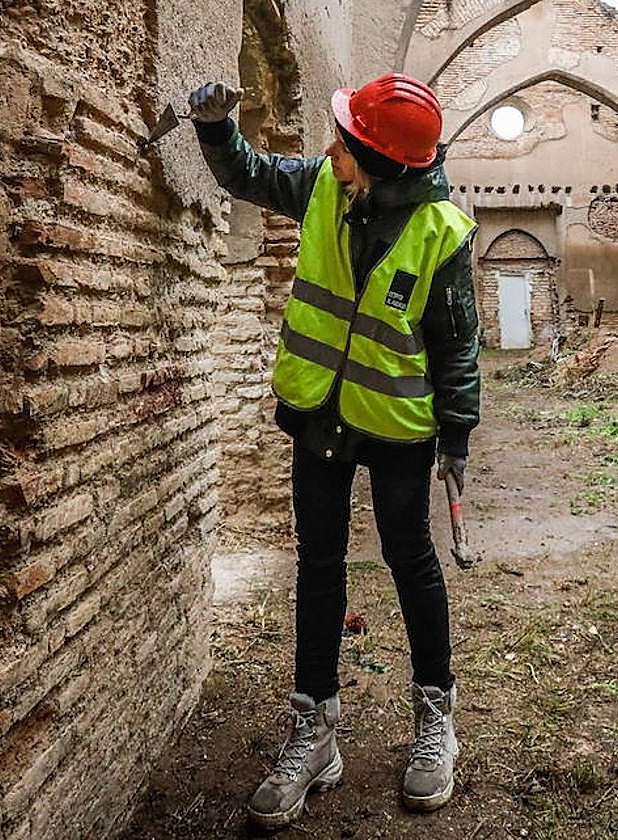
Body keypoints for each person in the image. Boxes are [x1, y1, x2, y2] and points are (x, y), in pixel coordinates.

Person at [188, 74, 481, 828]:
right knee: (318, 562)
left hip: (397, 426)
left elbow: (456, 344)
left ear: (380, 163)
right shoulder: (323, 184)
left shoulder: (443, 231)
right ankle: (313, 729)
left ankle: (435, 720)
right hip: (319, 414)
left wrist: (456, 434)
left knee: (409, 558)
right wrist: (216, 129)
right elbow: (248, 174)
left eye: (346, 144)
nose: (330, 150)